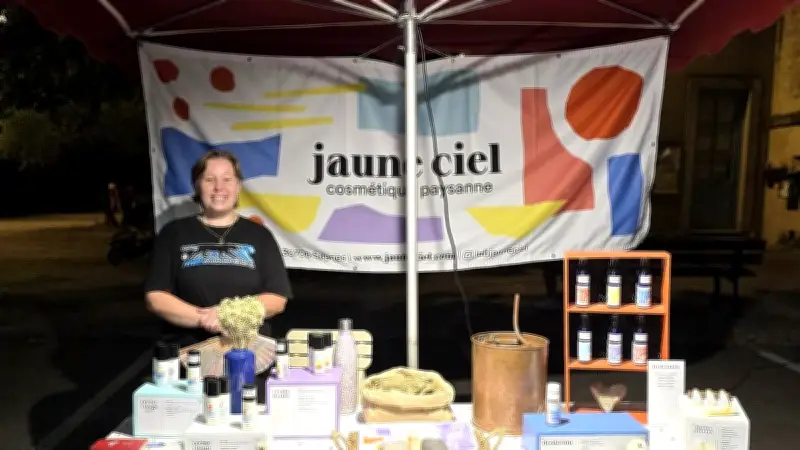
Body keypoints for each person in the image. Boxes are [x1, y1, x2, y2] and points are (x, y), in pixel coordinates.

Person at [144, 150, 292, 347]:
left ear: (238, 186)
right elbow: (156, 297)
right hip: (186, 352)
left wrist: (228, 315)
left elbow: (277, 299)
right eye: (209, 180)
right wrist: (205, 319)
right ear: (197, 185)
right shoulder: (173, 233)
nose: (219, 187)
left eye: (227, 179)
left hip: (248, 351)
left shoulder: (260, 236)